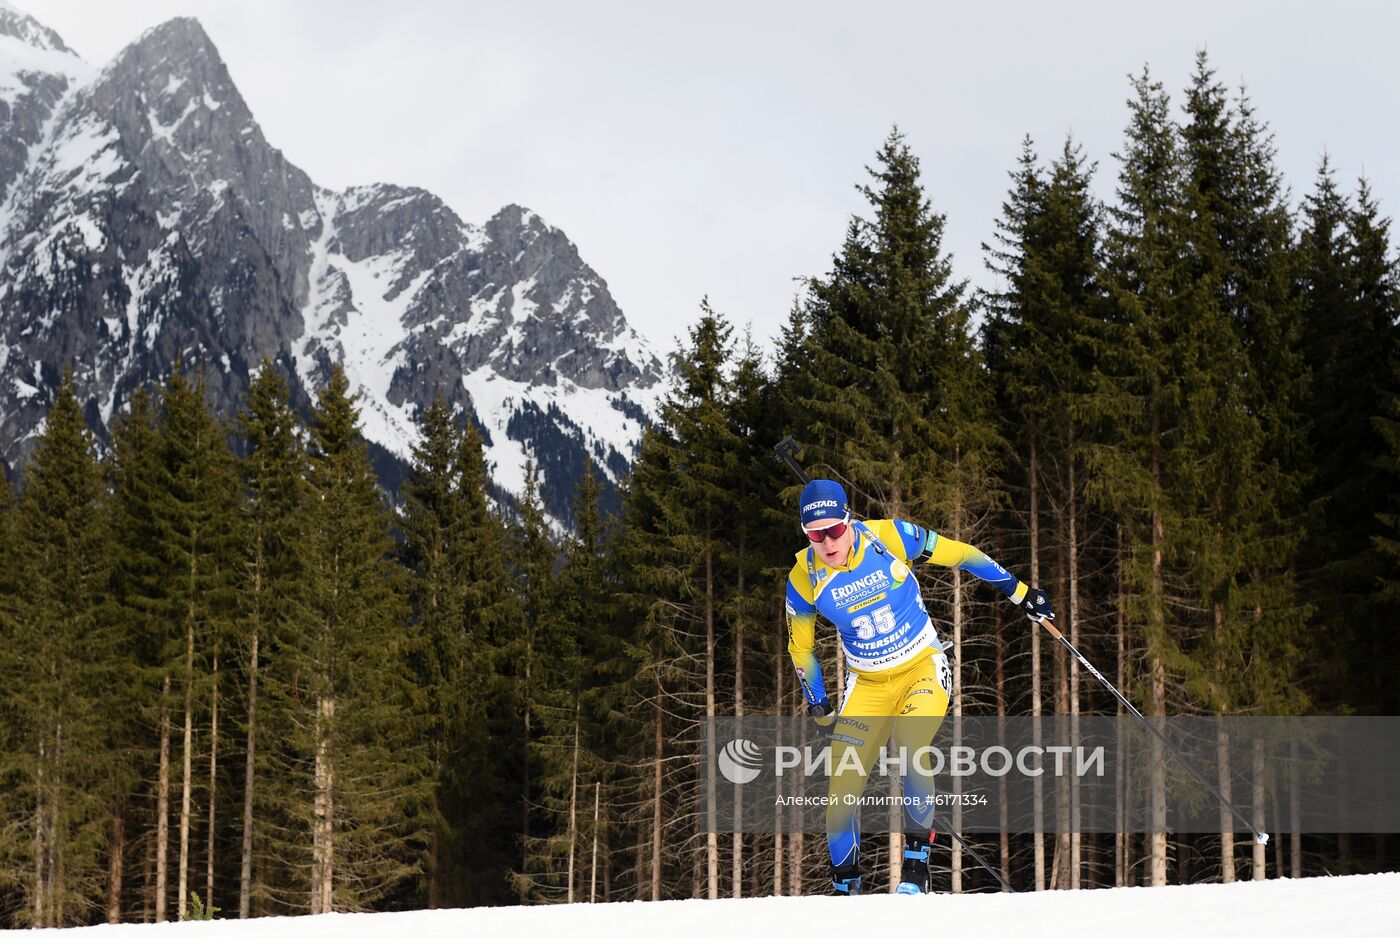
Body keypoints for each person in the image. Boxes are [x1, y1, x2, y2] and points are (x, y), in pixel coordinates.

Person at [785, 478, 1053, 895]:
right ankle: (845, 888)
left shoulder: (890, 537)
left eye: (834, 529)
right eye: (815, 534)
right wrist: (820, 707)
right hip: (868, 683)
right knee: (841, 785)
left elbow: (961, 554)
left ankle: (916, 867)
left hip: (921, 667)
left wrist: (1019, 592)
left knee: (910, 746)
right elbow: (801, 650)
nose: (827, 542)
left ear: (849, 520)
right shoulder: (804, 577)